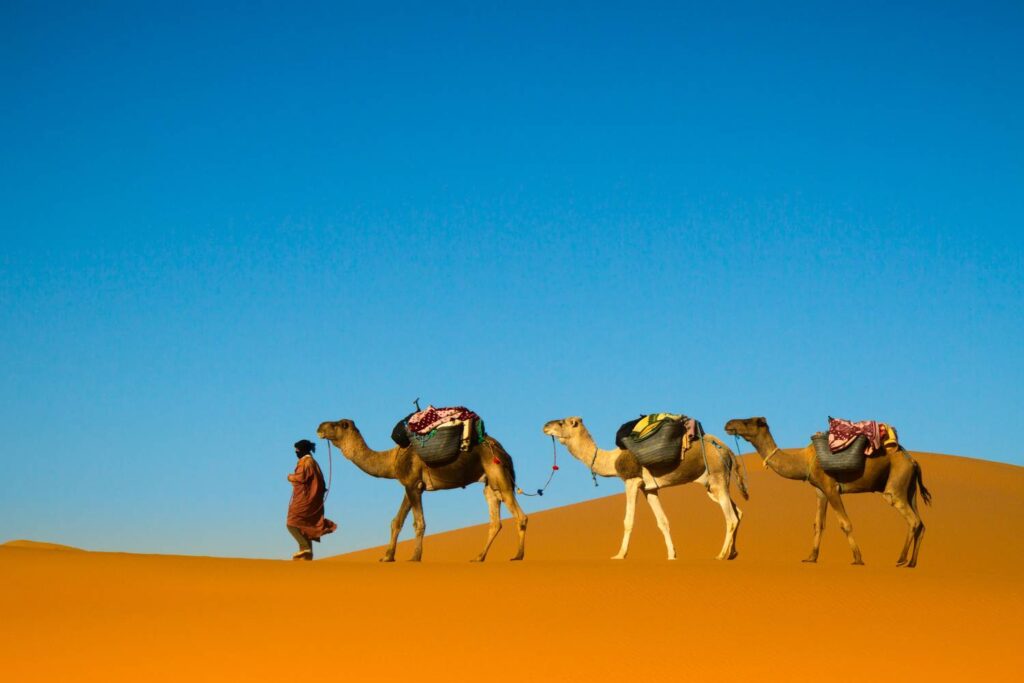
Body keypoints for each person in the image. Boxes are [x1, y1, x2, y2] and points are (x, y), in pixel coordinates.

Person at [286, 439, 336, 560]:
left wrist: (290, 477)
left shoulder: (306, 463)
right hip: (311, 500)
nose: (296, 452)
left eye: (297, 450)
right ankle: (307, 556)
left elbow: (301, 477)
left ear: (302, 450)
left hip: (304, 500)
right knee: (305, 526)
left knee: (292, 523)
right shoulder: (312, 462)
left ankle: (304, 548)